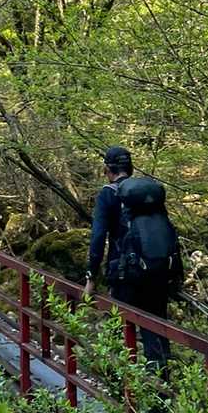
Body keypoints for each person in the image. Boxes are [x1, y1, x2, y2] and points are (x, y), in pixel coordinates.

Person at [83, 144, 177, 371]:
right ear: (131, 168)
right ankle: (161, 380)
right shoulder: (148, 194)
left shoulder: (108, 194)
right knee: (155, 326)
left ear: (107, 169)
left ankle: (121, 381)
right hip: (157, 269)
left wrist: (91, 276)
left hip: (125, 272)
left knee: (119, 326)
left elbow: (98, 238)